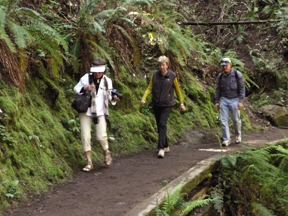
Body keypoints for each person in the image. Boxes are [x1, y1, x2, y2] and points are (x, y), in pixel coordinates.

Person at [74, 59, 120, 172]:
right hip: (86, 110)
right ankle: (89, 162)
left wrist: (114, 98)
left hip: (100, 111)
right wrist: (85, 88)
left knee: (101, 136)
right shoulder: (86, 78)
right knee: (85, 136)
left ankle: (106, 152)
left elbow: (109, 96)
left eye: (100, 72)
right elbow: (76, 88)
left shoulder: (107, 81)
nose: (98, 74)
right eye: (96, 72)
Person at [141, 55, 185, 158]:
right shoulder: (155, 75)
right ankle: (165, 145)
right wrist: (144, 98)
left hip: (167, 104)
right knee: (160, 125)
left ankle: (161, 149)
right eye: (160, 65)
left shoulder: (172, 76)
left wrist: (181, 103)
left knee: (162, 123)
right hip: (156, 103)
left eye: (163, 65)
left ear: (167, 65)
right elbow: (149, 88)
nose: (161, 67)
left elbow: (178, 91)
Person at [215, 57, 245, 147]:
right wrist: (217, 101)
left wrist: (240, 101)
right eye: (223, 66)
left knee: (236, 120)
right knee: (224, 120)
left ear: (230, 65)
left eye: (226, 65)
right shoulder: (220, 77)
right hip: (224, 99)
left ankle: (238, 135)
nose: (225, 67)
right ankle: (226, 139)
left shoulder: (237, 74)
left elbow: (242, 88)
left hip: (235, 99)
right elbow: (218, 90)